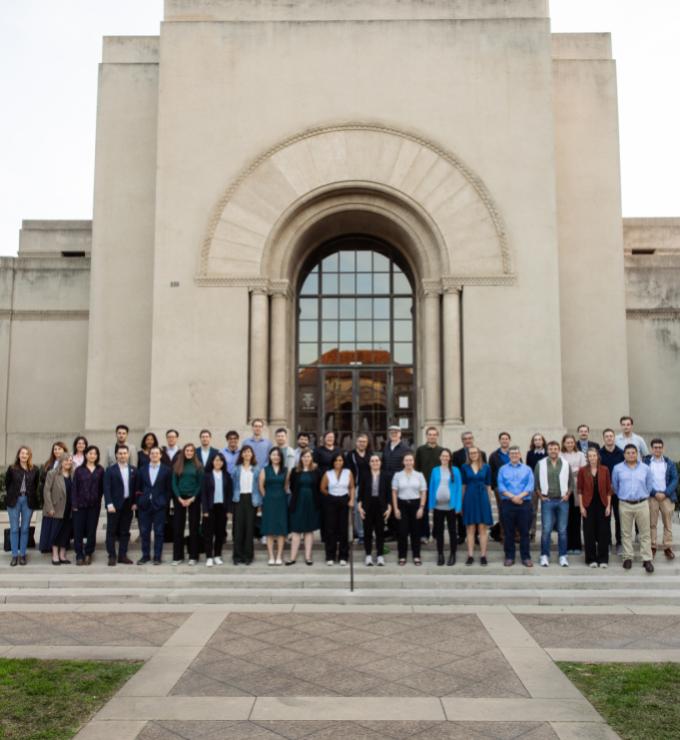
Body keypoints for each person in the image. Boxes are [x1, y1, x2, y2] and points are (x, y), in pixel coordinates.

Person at [612, 445, 655, 573]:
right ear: (624, 454)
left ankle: (647, 559)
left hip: (641, 503)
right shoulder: (617, 468)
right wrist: (623, 496)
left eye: (633, 453)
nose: (631, 455)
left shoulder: (645, 468)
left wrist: (643, 496)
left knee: (645, 533)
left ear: (637, 454)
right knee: (625, 532)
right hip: (625, 503)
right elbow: (615, 485)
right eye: (628, 453)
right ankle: (627, 558)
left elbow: (649, 485)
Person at [535, 441, 573, 568]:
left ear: (559, 450)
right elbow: (536, 483)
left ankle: (563, 556)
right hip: (548, 501)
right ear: (547, 450)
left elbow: (571, 482)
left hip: (562, 501)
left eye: (555, 449)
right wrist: (541, 496)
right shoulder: (540, 464)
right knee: (546, 530)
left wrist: (568, 495)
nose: (553, 451)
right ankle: (544, 555)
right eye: (551, 449)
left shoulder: (566, 464)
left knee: (562, 530)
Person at [497, 446, 534, 567]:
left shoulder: (527, 469)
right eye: (511, 453)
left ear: (520, 455)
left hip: (524, 504)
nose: (514, 455)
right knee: (508, 532)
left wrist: (519, 497)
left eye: (516, 453)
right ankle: (509, 556)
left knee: (524, 532)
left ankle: (525, 557)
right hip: (508, 504)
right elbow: (501, 487)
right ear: (509, 455)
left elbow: (529, 487)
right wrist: (513, 497)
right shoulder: (502, 469)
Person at [135, 447, 172, 565]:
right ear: (149, 455)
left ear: (160, 455)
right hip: (144, 506)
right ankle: (145, 556)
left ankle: (157, 556)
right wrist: (139, 501)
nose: (154, 455)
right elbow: (137, 488)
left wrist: (164, 501)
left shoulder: (166, 470)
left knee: (159, 532)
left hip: (159, 506)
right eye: (152, 453)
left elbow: (168, 489)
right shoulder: (142, 470)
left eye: (157, 453)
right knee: (145, 532)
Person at [643, 439, 678, 560]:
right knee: (652, 523)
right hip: (652, 497)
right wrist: (654, 492)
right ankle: (653, 546)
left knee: (668, 523)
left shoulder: (669, 462)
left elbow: (675, 479)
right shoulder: (646, 462)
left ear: (663, 449)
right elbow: (643, 479)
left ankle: (667, 547)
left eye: (659, 447)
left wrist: (666, 493)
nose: (657, 449)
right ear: (651, 449)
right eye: (655, 447)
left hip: (666, 497)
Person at [5, 446, 40, 566]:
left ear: (29, 456)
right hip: (14, 500)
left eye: (26, 453)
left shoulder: (34, 469)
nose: (24, 455)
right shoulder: (12, 468)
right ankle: (15, 555)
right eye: (22, 453)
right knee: (14, 529)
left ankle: (23, 554)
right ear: (18, 455)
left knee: (25, 529)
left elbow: (35, 485)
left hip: (28, 501)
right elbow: (7, 483)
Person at [578, 447, 613, 568]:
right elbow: (580, 490)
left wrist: (608, 506)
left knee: (603, 532)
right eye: (590, 456)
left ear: (598, 456)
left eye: (594, 455)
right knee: (589, 532)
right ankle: (591, 559)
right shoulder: (582, 470)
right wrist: (581, 507)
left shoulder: (605, 470)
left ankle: (603, 559)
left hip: (602, 504)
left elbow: (609, 490)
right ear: (587, 458)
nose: (592, 458)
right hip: (588, 504)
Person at [391, 452, 427, 566]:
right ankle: (402, 556)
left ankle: (416, 556)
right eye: (406, 460)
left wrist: (421, 507)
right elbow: (394, 492)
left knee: (415, 532)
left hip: (416, 504)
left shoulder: (419, 475)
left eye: (410, 460)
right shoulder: (397, 475)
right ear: (403, 462)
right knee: (402, 532)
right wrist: (395, 508)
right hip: (402, 505)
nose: (408, 462)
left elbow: (423, 492)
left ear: (413, 462)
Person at [428, 448, 462, 566]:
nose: (445, 458)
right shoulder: (435, 470)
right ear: (440, 457)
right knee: (439, 532)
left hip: (451, 507)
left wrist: (458, 506)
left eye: (447, 456)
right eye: (443, 456)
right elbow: (431, 487)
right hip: (438, 507)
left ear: (450, 458)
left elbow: (458, 489)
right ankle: (440, 554)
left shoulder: (455, 470)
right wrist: (431, 504)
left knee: (453, 532)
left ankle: (453, 554)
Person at [287, 449, 322, 565]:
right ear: (301, 458)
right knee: (296, 530)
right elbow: (292, 487)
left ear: (311, 458)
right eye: (304, 457)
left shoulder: (316, 471)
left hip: (312, 503)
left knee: (309, 531)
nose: (306, 459)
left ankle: (308, 557)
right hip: (298, 502)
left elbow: (319, 487)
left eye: (308, 457)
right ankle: (292, 557)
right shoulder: (295, 471)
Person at [103, 445, 136, 566]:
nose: (122, 455)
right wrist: (109, 504)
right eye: (120, 453)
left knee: (125, 532)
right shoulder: (110, 470)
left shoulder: (133, 470)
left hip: (128, 505)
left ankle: (122, 555)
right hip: (114, 506)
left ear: (128, 455)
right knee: (111, 531)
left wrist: (135, 503)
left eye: (124, 453)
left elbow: (136, 489)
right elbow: (106, 488)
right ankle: (112, 555)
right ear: (116, 455)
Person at [320, 453, 355, 566]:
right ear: (333, 462)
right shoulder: (328, 473)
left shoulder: (348, 472)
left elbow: (352, 487)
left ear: (343, 461)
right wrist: (331, 495)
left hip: (344, 500)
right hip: (331, 502)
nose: (338, 462)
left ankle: (343, 556)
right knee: (330, 528)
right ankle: (330, 556)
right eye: (336, 460)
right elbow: (322, 488)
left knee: (343, 529)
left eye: (340, 460)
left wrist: (351, 500)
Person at [72, 445, 105, 566]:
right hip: (79, 506)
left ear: (97, 456)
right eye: (90, 453)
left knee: (92, 530)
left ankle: (88, 553)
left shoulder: (100, 470)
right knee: (78, 531)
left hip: (94, 506)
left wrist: (98, 499)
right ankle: (79, 554)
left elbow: (102, 488)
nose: (92, 456)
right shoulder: (79, 470)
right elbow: (74, 488)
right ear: (86, 455)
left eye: (95, 454)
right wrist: (74, 504)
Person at [171, 443, 203, 565]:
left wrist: (192, 498)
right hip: (179, 499)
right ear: (183, 452)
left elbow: (200, 484)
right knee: (178, 528)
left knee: (194, 528)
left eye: (191, 451)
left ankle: (193, 556)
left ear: (194, 453)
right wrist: (179, 497)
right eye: (187, 450)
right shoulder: (177, 465)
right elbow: (174, 483)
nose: (189, 452)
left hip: (193, 499)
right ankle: (177, 556)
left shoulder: (198, 466)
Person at [357, 453, 391, 566]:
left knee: (380, 532)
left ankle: (380, 556)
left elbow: (389, 493)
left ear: (380, 462)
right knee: (367, 532)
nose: (375, 462)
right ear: (369, 463)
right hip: (368, 505)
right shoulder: (364, 475)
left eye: (377, 460)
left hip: (381, 506)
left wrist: (389, 507)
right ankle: (368, 556)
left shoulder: (386, 475)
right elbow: (360, 494)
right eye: (372, 461)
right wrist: (360, 508)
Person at [461, 447, 493, 565]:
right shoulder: (464, 467)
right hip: (469, 497)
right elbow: (463, 485)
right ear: (468, 455)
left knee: (482, 528)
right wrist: (462, 502)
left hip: (482, 498)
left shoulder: (486, 467)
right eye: (471, 453)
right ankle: (470, 555)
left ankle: (483, 555)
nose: (473, 454)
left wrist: (488, 502)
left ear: (479, 454)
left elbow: (488, 485)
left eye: (475, 452)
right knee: (470, 529)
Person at [231, 445, 261, 565]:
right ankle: (237, 556)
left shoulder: (257, 469)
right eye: (245, 452)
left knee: (249, 529)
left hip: (251, 500)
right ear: (241, 454)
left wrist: (259, 504)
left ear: (252, 454)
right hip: (239, 499)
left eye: (249, 452)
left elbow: (259, 487)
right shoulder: (236, 469)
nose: (247, 454)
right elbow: (232, 485)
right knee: (238, 529)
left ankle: (248, 556)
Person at [259, 447, 289, 565]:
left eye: (278, 455)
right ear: (270, 457)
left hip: (281, 501)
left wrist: (281, 496)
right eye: (273, 455)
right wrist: (266, 497)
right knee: (270, 529)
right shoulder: (264, 470)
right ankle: (271, 556)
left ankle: (279, 556)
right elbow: (261, 486)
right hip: (269, 501)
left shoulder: (286, 470)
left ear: (281, 457)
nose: (276, 457)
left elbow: (286, 486)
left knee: (281, 530)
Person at [201, 452, 232, 567]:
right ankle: (209, 556)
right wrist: (204, 510)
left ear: (223, 463)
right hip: (210, 508)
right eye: (216, 460)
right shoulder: (207, 476)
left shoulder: (227, 476)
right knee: (209, 534)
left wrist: (229, 510)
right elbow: (203, 494)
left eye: (220, 460)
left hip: (222, 508)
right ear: (212, 462)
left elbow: (229, 494)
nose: (218, 462)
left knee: (220, 533)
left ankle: (217, 555)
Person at [41, 453, 73, 565]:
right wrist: (49, 507)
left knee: (66, 532)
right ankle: (55, 555)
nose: (68, 462)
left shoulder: (73, 474)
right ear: (60, 462)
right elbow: (46, 491)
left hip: (69, 508)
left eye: (70, 460)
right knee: (56, 532)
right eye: (66, 460)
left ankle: (62, 555)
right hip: (56, 507)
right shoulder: (52, 473)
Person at [415, 426, 443, 543]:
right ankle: (424, 534)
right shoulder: (420, 450)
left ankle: (436, 534)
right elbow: (417, 468)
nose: (432, 436)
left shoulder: (442, 450)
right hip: (424, 486)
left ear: (437, 436)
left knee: (438, 511)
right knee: (424, 510)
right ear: (426, 436)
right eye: (429, 434)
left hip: (438, 486)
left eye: (434, 434)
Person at [600, 428, 625, 556]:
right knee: (606, 518)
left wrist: (616, 487)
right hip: (604, 492)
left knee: (619, 518)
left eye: (611, 436)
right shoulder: (599, 453)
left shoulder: (621, 453)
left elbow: (625, 471)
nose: (609, 438)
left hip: (619, 492)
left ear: (614, 437)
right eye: (607, 436)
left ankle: (620, 543)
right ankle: (608, 543)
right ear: (603, 438)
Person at [561, 434, 586, 555]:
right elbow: (561, 470)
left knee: (576, 519)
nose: (570, 444)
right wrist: (574, 470)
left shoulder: (580, 454)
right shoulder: (561, 455)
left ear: (574, 443)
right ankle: (568, 545)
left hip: (577, 489)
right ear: (564, 443)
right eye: (567, 442)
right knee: (566, 519)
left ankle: (577, 545)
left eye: (571, 442)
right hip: (564, 489)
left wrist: (570, 470)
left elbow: (583, 470)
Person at [346, 433, 371, 543]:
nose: (362, 444)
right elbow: (347, 471)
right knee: (357, 510)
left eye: (364, 442)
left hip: (369, 486)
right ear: (356, 443)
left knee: (367, 510)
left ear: (367, 443)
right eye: (360, 441)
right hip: (355, 486)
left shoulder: (370, 455)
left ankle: (367, 532)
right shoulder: (350, 455)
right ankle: (360, 534)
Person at [489, 432, 512, 540]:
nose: (504, 440)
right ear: (499, 441)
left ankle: (515, 534)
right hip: (500, 488)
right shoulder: (494, 456)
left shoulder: (514, 453)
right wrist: (494, 487)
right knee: (502, 511)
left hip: (514, 488)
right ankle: (503, 535)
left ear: (509, 440)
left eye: (506, 439)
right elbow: (491, 472)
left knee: (514, 510)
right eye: (502, 439)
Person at [526, 433, 548, 542]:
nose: (538, 441)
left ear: (543, 441)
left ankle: (546, 533)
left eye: (540, 439)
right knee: (532, 510)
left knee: (546, 511)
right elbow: (528, 470)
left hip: (546, 486)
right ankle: (532, 533)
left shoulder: (548, 453)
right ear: (533, 442)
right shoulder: (529, 454)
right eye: (536, 440)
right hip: (534, 486)